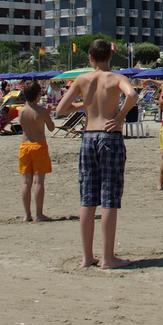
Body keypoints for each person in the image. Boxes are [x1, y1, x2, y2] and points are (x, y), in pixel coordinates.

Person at [54, 40, 138, 270]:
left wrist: (84, 105)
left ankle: (87, 257)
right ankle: (108, 257)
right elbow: (132, 96)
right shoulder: (117, 78)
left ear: (90, 58)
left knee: (88, 197)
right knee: (109, 197)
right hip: (110, 136)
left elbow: (60, 109)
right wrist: (119, 118)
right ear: (109, 57)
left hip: (89, 136)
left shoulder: (83, 80)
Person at [16, 80, 55, 221]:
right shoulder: (41, 111)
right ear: (38, 95)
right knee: (39, 182)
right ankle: (39, 214)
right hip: (38, 146)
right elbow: (51, 127)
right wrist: (47, 114)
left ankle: (27, 214)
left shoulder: (21, 111)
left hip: (25, 146)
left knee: (26, 182)